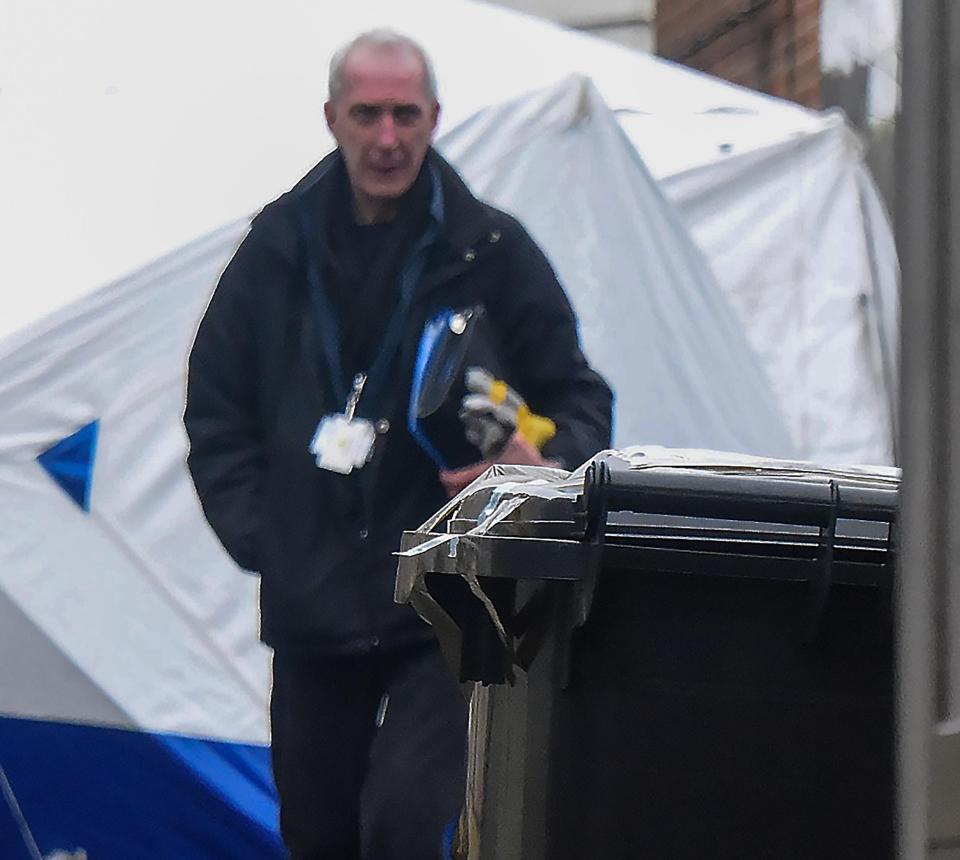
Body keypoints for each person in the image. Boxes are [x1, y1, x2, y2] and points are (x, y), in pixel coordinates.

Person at [183, 29, 613, 860]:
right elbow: (214, 411)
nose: (388, 138)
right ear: (332, 118)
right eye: (368, 114)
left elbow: (580, 401)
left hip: (448, 603)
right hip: (314, 612)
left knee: (405, 830)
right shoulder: (273, 252)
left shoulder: (490, 250)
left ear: (436, 118)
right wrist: (268, 540)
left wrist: (541, 469)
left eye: (405, 115)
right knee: (320, 838)